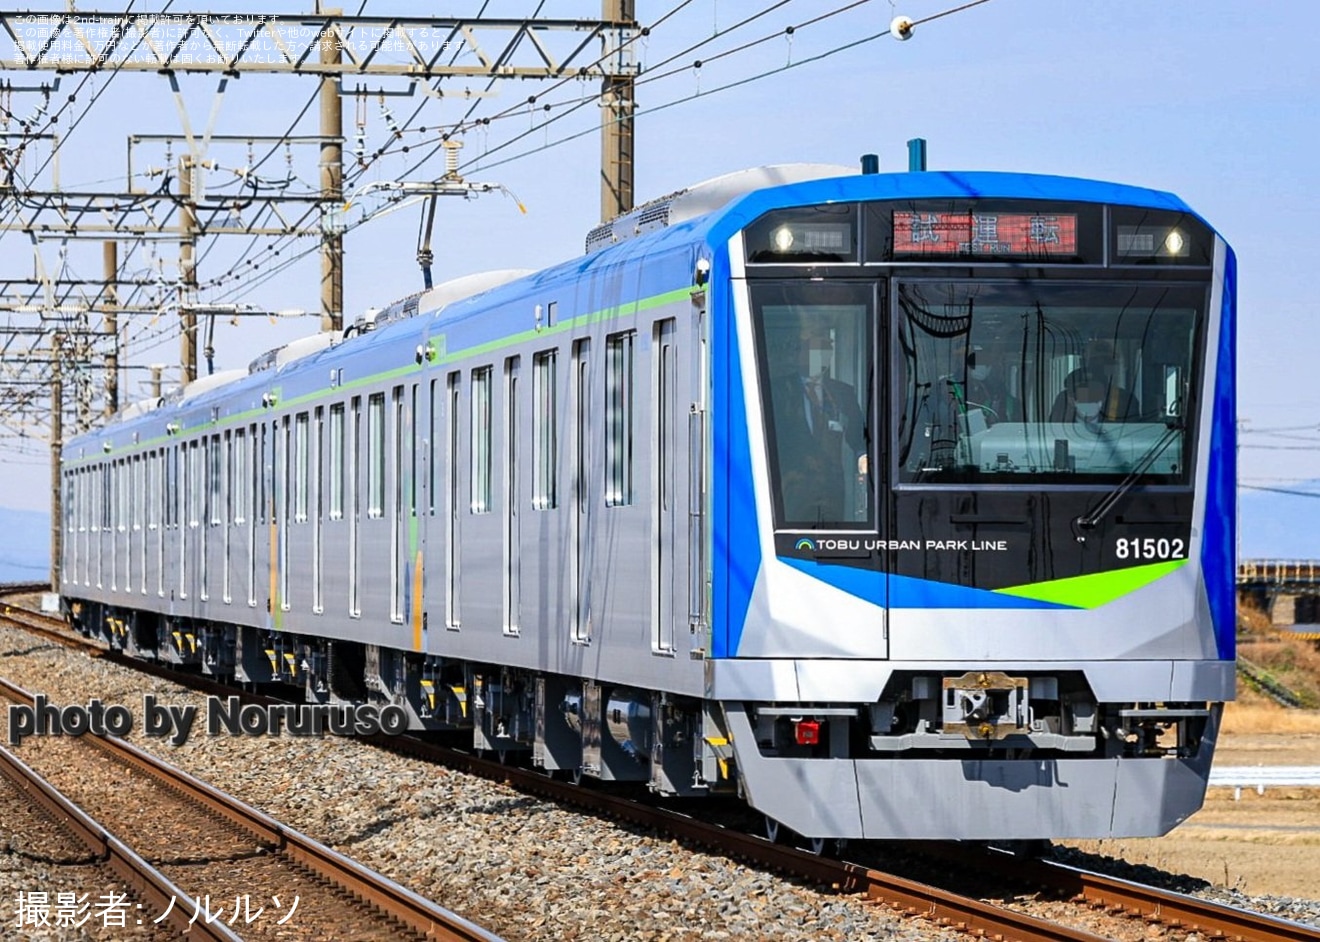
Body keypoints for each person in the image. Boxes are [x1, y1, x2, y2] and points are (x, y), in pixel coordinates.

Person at [768, 318, 868, 525]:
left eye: (826, 350)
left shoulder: (843, 393)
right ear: (799, 353)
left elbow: (859, 437)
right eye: (815, 349)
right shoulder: (778, 390)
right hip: (791, 487)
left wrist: (863, 456)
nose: (821, 357)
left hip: (831, 488)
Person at [1050, 339, 1141, 423]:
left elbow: (1134, 436)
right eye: (1095, 362)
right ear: (1084, 363)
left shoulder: (1126, 399)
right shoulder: (1065, 398)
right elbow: (1053, 431)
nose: (1101, 367)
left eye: (1108, 362)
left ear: (1115, 367)